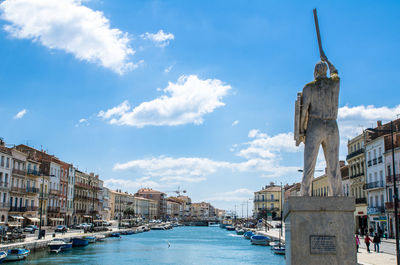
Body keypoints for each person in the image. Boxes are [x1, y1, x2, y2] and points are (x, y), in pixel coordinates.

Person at [298, 56, 342, 196]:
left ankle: (305, 192)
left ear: (315, 72)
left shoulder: (309, 87)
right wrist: (328, 60)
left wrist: (301, 131)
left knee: (309, 163)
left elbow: (303, 111)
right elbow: (335, 72)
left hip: (315, 124)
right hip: (332, 125)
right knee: (333, 164)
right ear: (325, 71)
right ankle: (336, 193)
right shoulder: (334, 83)